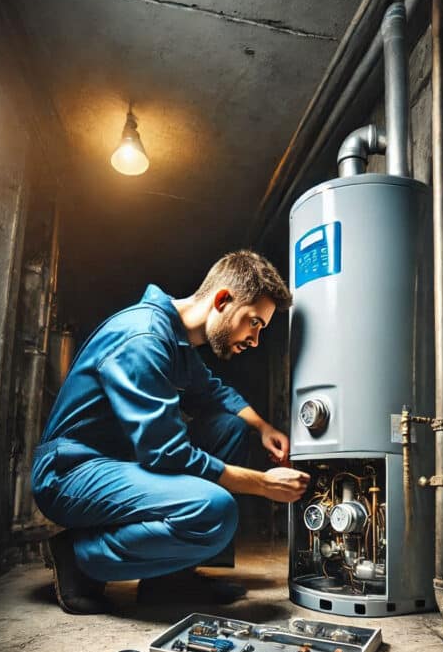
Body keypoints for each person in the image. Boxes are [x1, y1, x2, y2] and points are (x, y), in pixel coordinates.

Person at [31, 250, 309, 614]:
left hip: (118, 463)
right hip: (70, 472)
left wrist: (263, 428)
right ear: (223, 300)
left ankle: (170, 577)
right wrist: (264, 483)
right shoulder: (144, 337)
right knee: (214, 510)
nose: (255, 340)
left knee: (231, 428)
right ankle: (78, 556)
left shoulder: (177, 341)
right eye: (254, 323)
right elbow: (166, 454)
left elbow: (214, 391)